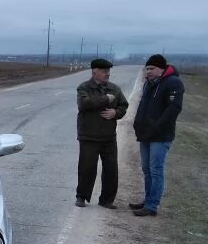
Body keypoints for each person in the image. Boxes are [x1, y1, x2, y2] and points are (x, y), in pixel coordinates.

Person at [131, 54, 184, 216]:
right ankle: (147, 200)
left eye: (152, 68)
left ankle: (152, 205)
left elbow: (173, 109)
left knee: (156, 170)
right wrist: (137, 124)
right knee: (146, 169)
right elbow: (142, 106)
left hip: (160, 136)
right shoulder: (149, 84)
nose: (149, 71)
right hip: (145, 133)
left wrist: (157, 126)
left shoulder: (173, 82)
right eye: (147, 68)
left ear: (162, 68)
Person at [75, 57, 129, 208]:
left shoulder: (115, 88)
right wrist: (106, 99)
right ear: (94, 72)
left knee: (111, 170)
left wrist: (116, 113)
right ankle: (81, 197)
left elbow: (124, 106)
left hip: (108, 137)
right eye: (104, 71)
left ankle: (107, 200)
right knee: (87, 168)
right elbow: (84, 104)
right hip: (89, 136)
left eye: (108, 71)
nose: (108, 74)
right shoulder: (84, 87)